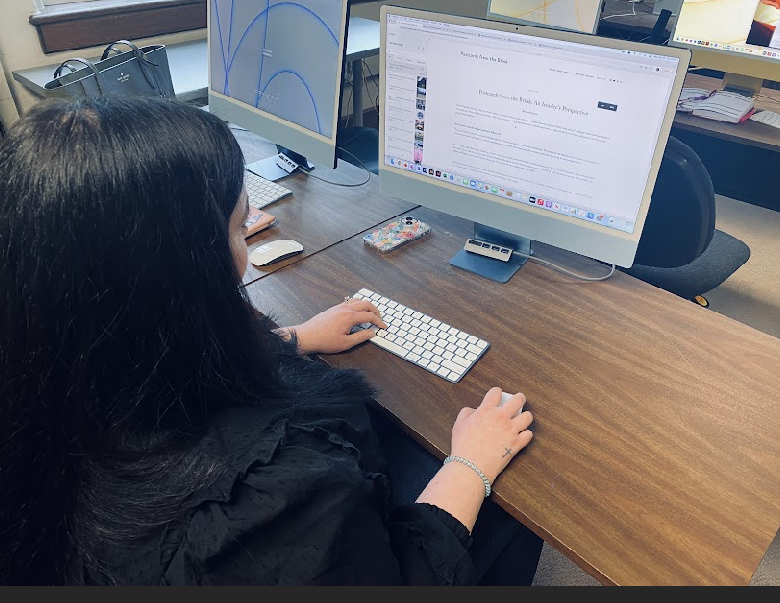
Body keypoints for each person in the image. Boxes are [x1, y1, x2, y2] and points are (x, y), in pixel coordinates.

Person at [0, 97, 541, 585]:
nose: (249, 236)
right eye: (239, 226)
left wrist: (295, 337)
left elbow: (153, 360)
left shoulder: (52, 357)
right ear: (184, 275)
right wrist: (469, 464)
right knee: (524, 510)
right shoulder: (272, 505)